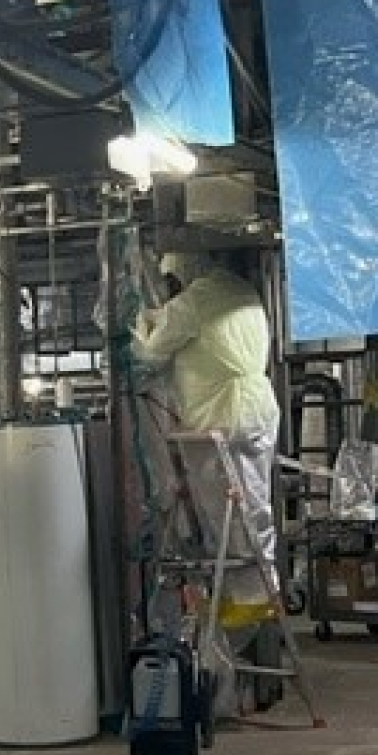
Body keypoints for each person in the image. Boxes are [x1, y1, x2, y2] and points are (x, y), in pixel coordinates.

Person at [134, 251, 282, 622]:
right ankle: (262, 587)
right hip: (259, 409)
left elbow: (150, 356)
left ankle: (247, 598)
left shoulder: (192, 302)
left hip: (221, 418)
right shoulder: (244, 292)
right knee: (255, 500)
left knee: (223, 508)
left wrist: (137, 325)